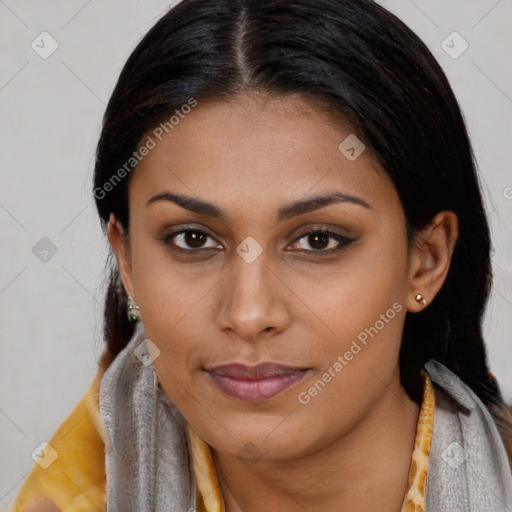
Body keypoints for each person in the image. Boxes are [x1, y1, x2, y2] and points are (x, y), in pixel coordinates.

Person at [11, 0, 512, 511]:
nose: (248, 314)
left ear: (425, 260)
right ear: (129, 261)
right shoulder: (72, 496)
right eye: (193, 239)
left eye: (319, 240)